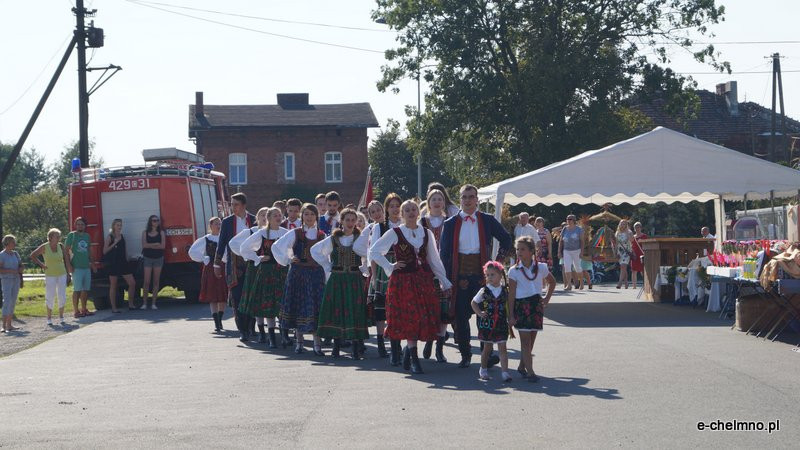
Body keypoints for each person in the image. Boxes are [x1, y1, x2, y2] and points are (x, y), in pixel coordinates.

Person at [370, 200, 452, 374]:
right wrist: (390, 266)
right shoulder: (395, 232)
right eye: (407, 210)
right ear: (402, 214)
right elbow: (374, 251)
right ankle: (414, 359)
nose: (411, 212)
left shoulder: (426, 233)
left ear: (418, 212)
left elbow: (434, 259)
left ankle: (408, 352)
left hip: (423, 281)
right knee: (409, 318)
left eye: (413, 209)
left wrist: (445, 281)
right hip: (402, 282)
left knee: (422, 317)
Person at [439, 184, 513, 368]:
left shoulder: (487, 220)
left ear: (477, 199)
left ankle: (486, 356)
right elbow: (444, 254)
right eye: (464, 197)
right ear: (460, 199)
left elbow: (506, 239)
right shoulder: (450, 223)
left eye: (471, 196)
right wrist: (445, 279)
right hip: (459, 276)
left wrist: (497, 263)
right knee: (461, 317)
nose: (467, 200)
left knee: (485, 316)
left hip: (483, 276)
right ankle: (465, 355)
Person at [312, 208, 369, 359]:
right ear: (341, 221)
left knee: (354, 310)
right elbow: (315, 250)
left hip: (354, 278)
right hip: (337, 278)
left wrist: (364, 268)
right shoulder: (334, 239)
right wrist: (327, 266)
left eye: (353, 220)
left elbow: (368, 254)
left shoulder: (359, 238)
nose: (350, 223)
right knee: (337, 309)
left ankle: (355, 348)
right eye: (347, 220)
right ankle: (336, 346)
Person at [272, 203, 326, 355]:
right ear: (302, 216)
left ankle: (317, 344)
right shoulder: (295, 233)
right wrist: (288, 259)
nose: (309, 217)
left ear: (317, 216)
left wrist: (326, 272)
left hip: (316, 275)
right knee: (298, 306)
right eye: (306, 214)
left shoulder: (321, 235)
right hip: (298, 273)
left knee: (315, 308)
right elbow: (276, 246)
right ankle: (299, 343)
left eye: (312, 214)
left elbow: (327, 256)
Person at [508, 236, 555, 382]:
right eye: (517, 249)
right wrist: (510, 315)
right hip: (522, 306)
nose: (519, 252)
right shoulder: (514, 270)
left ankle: (522, 366)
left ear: (531, 251)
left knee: (531, 340)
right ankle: (531, 372)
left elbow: (552, 282)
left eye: (522, 249)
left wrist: (546, 299)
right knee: (525, 341)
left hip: (536, 305)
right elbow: (511, 294)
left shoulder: (541, 267)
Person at [240, 207, 289, 347]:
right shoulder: (261, 233)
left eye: (279, 215)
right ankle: (270, 337)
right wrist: (258, 257)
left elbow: (291, 249)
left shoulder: (286, 233)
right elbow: (244, 248)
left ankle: (284, 335)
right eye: (275, 215)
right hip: (266, 271)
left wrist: (289, 259)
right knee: (267, 304)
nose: (278, 218)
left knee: (282, 303)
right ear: (268, 218)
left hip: (282, 271)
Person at [214, 192, 256, 340]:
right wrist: (217, 264)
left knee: (251, 295)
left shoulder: (253, 220)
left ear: (244, 205)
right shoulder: (227, 222)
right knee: (237, 297)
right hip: (234, 264)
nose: (233, 207)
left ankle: (251, 326)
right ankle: (242, 330)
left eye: (236, 204)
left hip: (251, 263)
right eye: (232, 204)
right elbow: (221, 243)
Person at [367, 193, 403, 359]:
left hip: (401, 268)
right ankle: (381, 342)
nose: (395, 209)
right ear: (386, 209)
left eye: (397, 206)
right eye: (391, 206)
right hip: (383, 268)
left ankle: (397, 342)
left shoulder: (405, 225)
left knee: (399, 308)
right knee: (381, 308)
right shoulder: (379, 227)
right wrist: (374, 277)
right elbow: (373, 253)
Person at [420, 188, 452, 363]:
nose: (437, 202)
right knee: (429, 308)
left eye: (440, 199)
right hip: (427, 271)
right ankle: (429, 341)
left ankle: (439, 347)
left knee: (444, 310)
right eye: (434, 199)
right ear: (429, 203)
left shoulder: (450, 221)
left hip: (445, 270)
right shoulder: (422, 222)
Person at [230, 207, 268, 342]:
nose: (265, 217)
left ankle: (254, 328)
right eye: (262, 215)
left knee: (260, 299)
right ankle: (244, 330)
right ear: (257, 218)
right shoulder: (250, 231)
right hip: (251, 269)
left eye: (267, 215)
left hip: (268, 270)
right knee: (246, 298)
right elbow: (233, 243)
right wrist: (248, 256)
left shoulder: (274, 233)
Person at [471, 261, 512, 382]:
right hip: (487, 324)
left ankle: (505, 372)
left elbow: (509, 305)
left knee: (502, 348)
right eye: (487, 275)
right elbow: (473, 303)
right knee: (487, 348)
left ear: (500, 275)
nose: (489, 277)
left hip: (501, 323)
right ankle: (483, 369)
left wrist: (511, 317)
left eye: (492, 274)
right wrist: (479, 313)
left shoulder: (505, 290)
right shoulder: (484, 290)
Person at [188, 216, 228, 332]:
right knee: (213, 295)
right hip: (210, 268)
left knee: (222, 296)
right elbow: (192, 251)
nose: (218, 226)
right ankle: (216, 322)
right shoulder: (206, 239)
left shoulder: (224, 238)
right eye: (216, 224)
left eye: (220, 224)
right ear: (210, 226)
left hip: (222, 266)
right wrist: (203, 258)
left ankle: (220, 319)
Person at [30, 229, 71, 325]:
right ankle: (49, 318)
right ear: (51, 237)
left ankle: (61, 317)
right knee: (50, 295)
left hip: (62, 273)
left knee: (62, 295)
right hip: (50, 275)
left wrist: (68, 273)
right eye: (57, 236)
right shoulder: (44, 247)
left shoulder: (61, 246)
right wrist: (42, 265)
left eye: (59, 236)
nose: (59, 238)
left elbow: (66, 259)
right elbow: (33, 255)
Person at [102, 219, 136, 312]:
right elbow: (104, 251)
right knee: (113, 285)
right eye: (117, 225)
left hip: (123, 262)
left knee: (132, 283)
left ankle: (131, 304)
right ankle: (114, 308)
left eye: (120, 225)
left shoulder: (122, 236)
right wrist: (114, 243)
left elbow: (124, 249)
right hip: (113, 263)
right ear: (113, 226)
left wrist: (127, 258)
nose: (119, 227)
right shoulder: (110, 237)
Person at [65, 217, 95, 318]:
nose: (80, 226)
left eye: (82, 224)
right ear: (75, 225)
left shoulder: (87, 236)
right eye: (78, 224)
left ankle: (84, 309)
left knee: (85, 290)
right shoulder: (72, 235)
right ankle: (76, 311)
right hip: (76, 267)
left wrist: (93, 264)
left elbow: (89, 251)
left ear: (85, 226)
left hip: (86, 266)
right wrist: (69, 266)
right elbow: (66, 252)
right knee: (77, 290)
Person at [140, 215, 166, 310]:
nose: (156, 222)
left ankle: (154, 303)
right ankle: (144, 303)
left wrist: (150, 245)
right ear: (150, 222)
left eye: (157, 220)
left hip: (158, 258)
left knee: (156, 281)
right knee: (146, 281)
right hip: (148, 258)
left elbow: (162, 246)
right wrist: (155, 244)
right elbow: (144, 245)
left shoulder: (161, 233)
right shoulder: (145, 233)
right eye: (154, 220)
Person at [1, 235, 24, 332]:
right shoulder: (2, 255)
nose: (15, 244)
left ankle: (10, 325)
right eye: (13, 242)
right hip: (6, 280)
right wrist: (10, 271)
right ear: (7, 243)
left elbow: (20, 265)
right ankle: (3, 326)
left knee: (13, 301)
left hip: (16, 280)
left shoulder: (16, 254)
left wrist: (21, 268)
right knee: (7, 301)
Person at [558, 215, 584, 292]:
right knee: (567, 267)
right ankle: (569, 284)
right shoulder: (564, 229)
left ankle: (581, 282)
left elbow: (582, 241)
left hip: (577, 250)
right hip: (566, 250)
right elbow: (561, 241)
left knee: (577, 267)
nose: (568, 220)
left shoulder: (579, 229)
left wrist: (582, 252)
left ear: (574, 220)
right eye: (567, 219)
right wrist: (559, 251)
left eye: (570, 219)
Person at [614, 220, 633, 289]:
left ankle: (619, 283)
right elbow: (616, 243)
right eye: (621, 224)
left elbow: (632, 240)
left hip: (627, 251)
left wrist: (628, 234)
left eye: (624, 224)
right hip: (620, 251)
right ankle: (626, 282)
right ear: (619, 224)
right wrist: (615, 251)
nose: (622, 225)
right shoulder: (617, 232)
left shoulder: (629, 232)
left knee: (623, 266)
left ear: (626, 225)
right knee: (623, 267)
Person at [631, 222, 648, 289]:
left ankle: (646, 285)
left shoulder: (644, 236)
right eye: (636, 227)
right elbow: (630, 246)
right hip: (634, 255)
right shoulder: (632, 237)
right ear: (634, 228)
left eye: (638, 227)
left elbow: (647, 245)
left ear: (641, 228)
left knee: (642, 270)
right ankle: (634, 286)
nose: (637, 228)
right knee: (634, 270)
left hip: (642, 255)